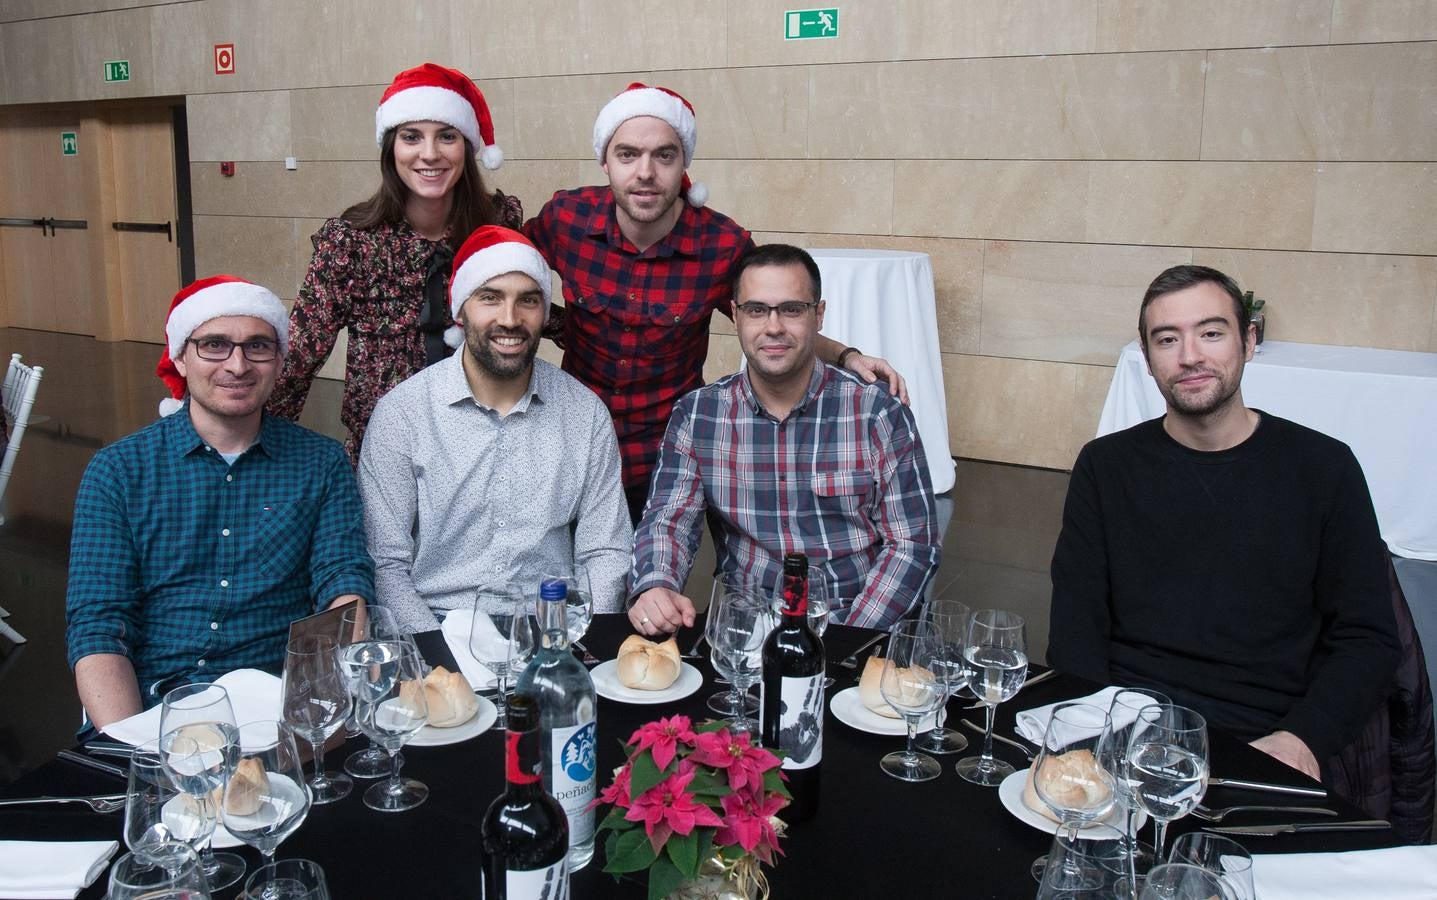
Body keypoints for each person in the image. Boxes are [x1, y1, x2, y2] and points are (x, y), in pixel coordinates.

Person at [1048, 264, 1400, 779]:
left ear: (1248, 341)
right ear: (1147, 360)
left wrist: (1303, 738)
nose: (1190, 356)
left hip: (1265, 733)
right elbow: (1076, 624)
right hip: (1125, 724)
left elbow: (1368, 638)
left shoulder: (1324, 468)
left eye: (1211, 333)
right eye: (1167, 340)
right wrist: (1092, 734)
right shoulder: (1106, 466)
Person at [524, 83, 909, 525]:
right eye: (628, 155)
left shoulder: (720, 244)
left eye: (664, 156)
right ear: (605, 161)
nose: (645, 172)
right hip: (571, 438)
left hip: (665, 451)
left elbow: (777, 317)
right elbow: (500, 272)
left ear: (684, 161)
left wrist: (848, 356)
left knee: (650, 582)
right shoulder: (566, 218)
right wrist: (554, 325)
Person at [66, 276, 373, 730]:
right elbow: (98, 624)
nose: (237, 364)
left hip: (278, 703)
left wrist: (318, 715)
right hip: (153, 707)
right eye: (215, 345)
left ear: (280, 360)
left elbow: (342, 581)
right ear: (180, 356)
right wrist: (132, 750)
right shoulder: (118, 471)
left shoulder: (321, 462)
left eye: (257, 347)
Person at [628, 244, 940, 635]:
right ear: (736, 316)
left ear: (818, 315)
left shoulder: (877, 413)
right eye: (756, 310)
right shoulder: (698, 414)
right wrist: (657, 582)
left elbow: (912, 546)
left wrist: (843, 640)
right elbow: (668, 523)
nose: (773, 326)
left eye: (791, 309)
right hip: (745, 628)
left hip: (853, 627)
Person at [359, 227, 631, 633]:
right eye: (490, 298)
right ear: (460, 309)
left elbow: (605, 551)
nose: (510, 319)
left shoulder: (584, 413)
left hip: (552, 627)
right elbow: (386, 565)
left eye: (528, 301)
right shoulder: (403, 414)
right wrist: (440, 659)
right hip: (436, 628)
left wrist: (575, 643)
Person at [268, 63, 524, 462]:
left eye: (447, 136)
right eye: (411, 137)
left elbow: (526, 307)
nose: (429, 154)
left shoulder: (499, 223)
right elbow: (301, 353)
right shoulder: (351, 242)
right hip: (386, 454)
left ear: (467, 146)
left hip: (487, 447)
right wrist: (254, 445)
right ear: (391, 146)